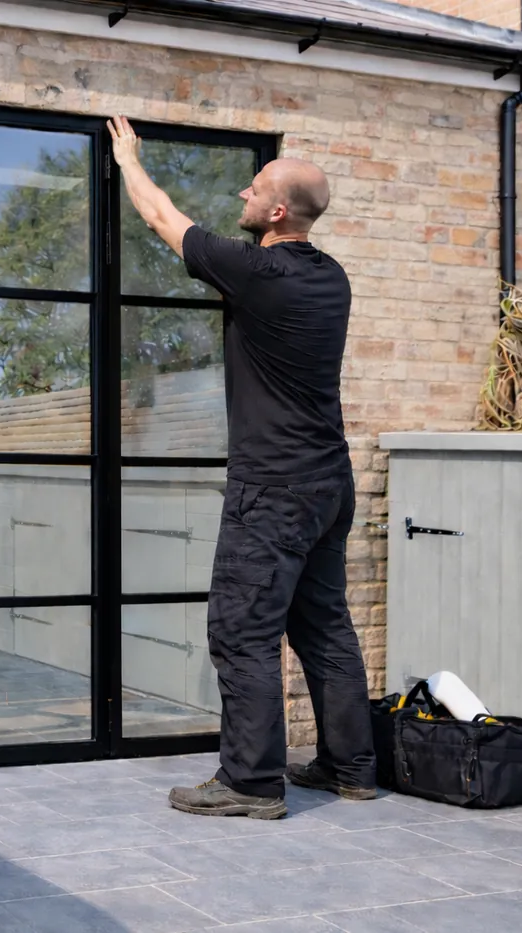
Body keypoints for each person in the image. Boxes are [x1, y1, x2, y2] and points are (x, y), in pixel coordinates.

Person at [109, 115, 376, 819]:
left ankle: (251, 783)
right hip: (328, 483)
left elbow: (163, 215)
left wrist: (127, 158)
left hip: (275, 490)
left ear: (278, 211)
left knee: (242, 629)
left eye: (253, 189)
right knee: (325, 626)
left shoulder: (259, 273)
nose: (240, 194)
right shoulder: (332, 279)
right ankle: (351, 766)